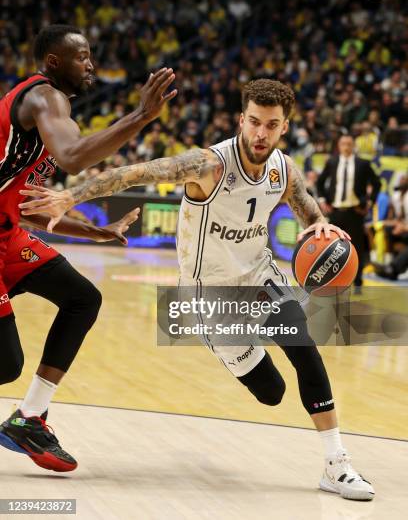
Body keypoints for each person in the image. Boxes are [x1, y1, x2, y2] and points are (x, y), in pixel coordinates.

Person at [21, 79, 374, 500]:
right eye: (255, 122)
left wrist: (319, 226)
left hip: (260, 279)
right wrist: (71, 196)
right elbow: (134, 173)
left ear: (284, 128)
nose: (261, 134)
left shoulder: (284, 170)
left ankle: (337, 465)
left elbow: (308, 211)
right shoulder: (209, 165)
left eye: (272, 125)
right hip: (212, 299)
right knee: (272, 394)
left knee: (306, 353)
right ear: (242, 120)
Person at [0, 24, 176, 472]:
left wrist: (96, 232)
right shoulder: (44, 97)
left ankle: (30, 417)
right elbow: (76, 156)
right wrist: (140, 116)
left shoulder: (42, 118)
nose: (91, 64)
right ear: (54, 62)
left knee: (83, 297)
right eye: (81, 57)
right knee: (4, 363)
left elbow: (25, 207)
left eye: (91, 55)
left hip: (6, 234)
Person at [316, 134, 381, 291]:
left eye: (349, 143)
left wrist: (369, 202)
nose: (346, 146)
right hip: (336, 211)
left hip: (355, 212)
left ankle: (358, 281)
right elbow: (320, 182)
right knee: (333, 247)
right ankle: (333, 280)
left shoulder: (363, 164)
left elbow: (377, 183)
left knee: (356, 247)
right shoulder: (332, 162)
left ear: (353, 146)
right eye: (343, 143)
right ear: (338, 146)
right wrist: (324, 200)